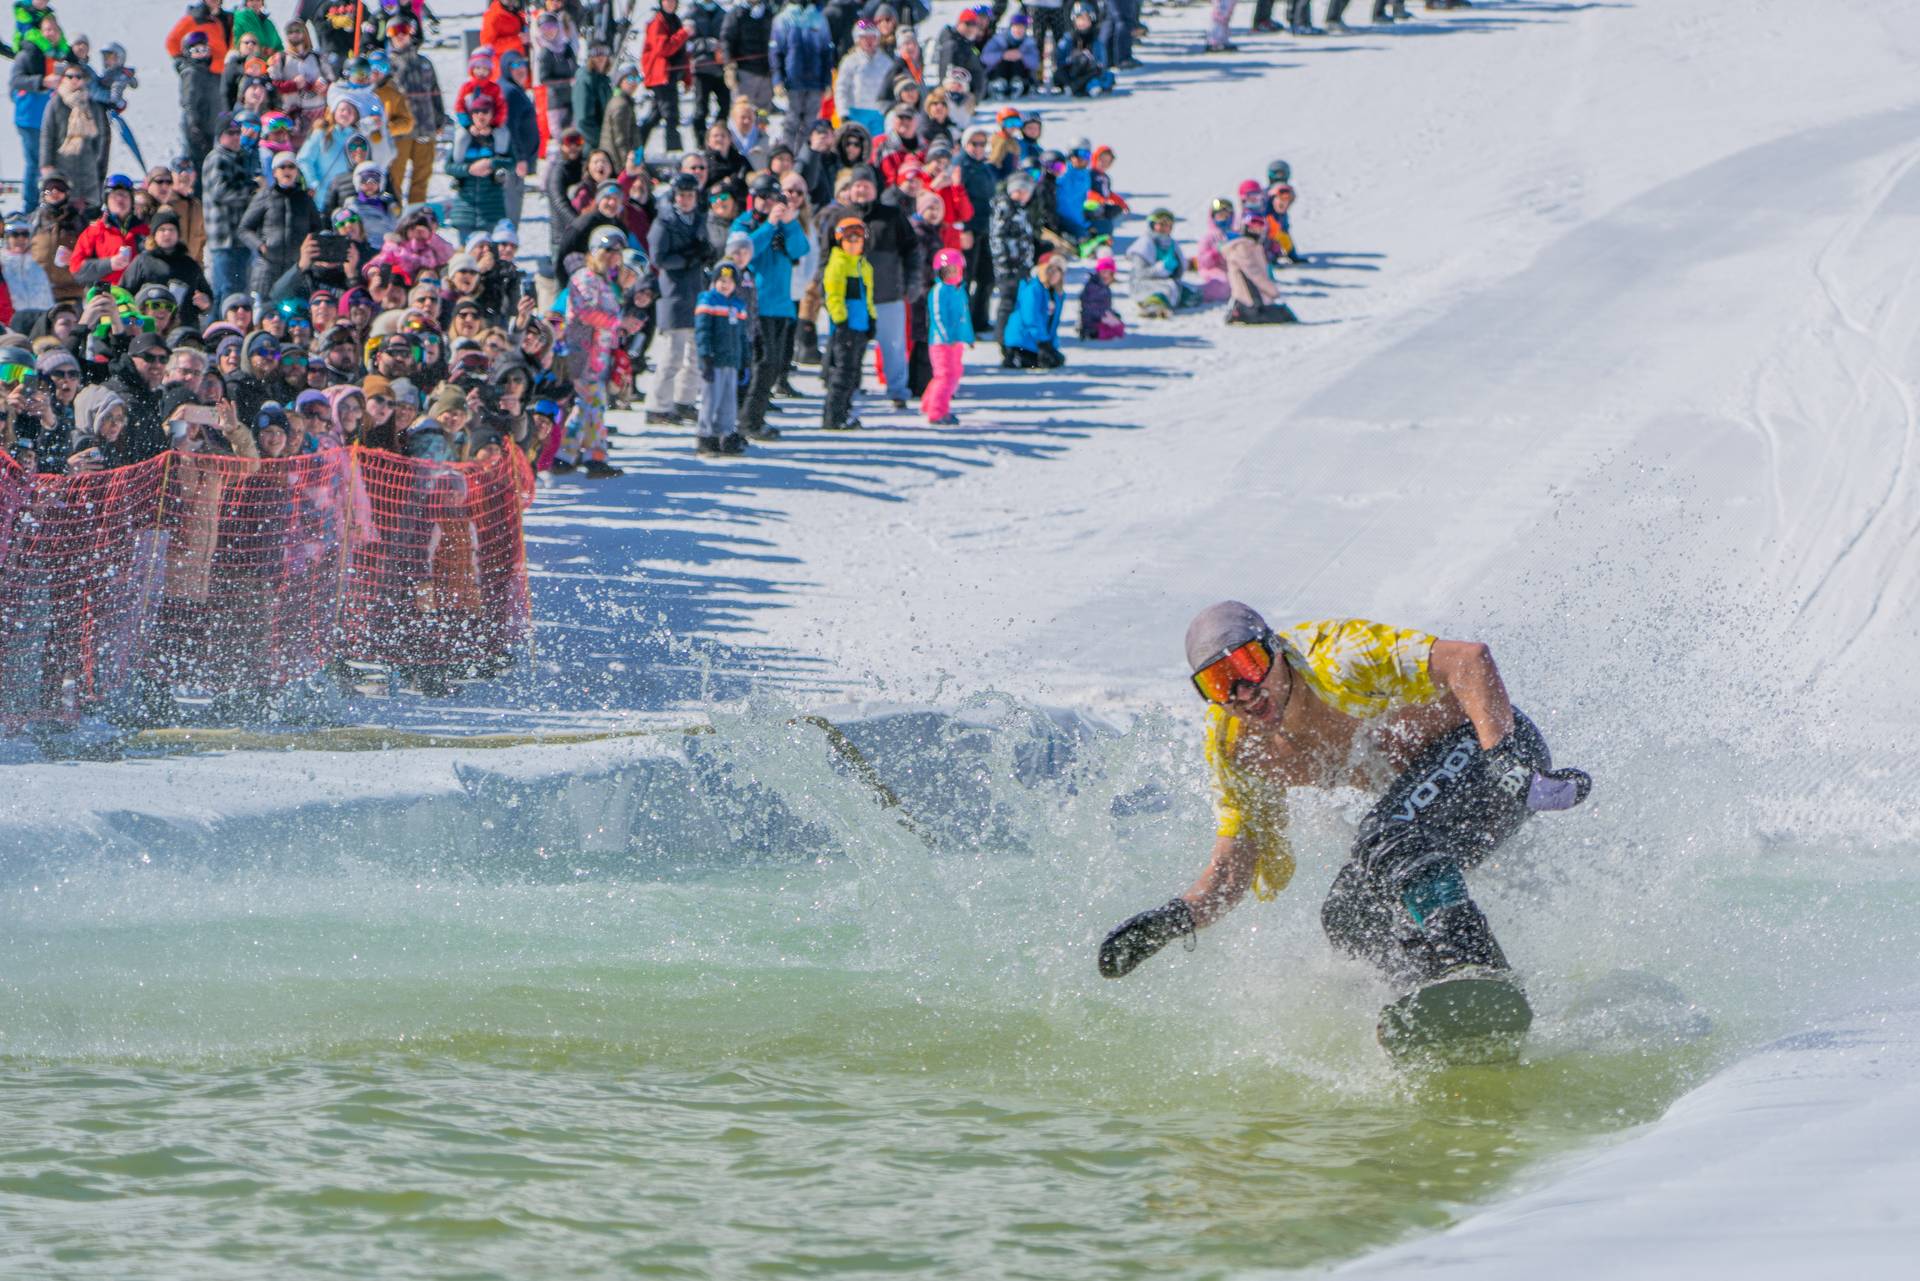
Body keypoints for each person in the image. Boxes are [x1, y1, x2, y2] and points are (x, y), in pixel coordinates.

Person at [1097, 605, 1593, 993]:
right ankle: (1434, 1001)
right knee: (1348, 914)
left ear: (1275, 649)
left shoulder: (1336, 656)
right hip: (1441, 809)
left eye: (1249, 665)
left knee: (1388, 836)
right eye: (1219, 683)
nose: (1244, 692)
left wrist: (1503, 760)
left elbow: (1469, 659)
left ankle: (1478, 969)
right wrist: (1177, 918)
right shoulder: (1238, 749)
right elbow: (1234, 867)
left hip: (1495, 754)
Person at [647, 172, 712, 425]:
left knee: (695, 354)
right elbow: (658, 258)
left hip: (696, 290)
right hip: (674, 293)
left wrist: (704, 254)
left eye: (690, 195)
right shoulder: (664, 222)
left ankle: (684, 400)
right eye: (682, 195)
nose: (686, 200)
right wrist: (687, 258)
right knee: (673, 354)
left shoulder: (698, 219)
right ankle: (658, 405)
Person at [819, 215, 874, 431]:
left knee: (854, 372)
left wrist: (871, 318)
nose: (853, 244)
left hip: (860, 326)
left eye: (857, 239)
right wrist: (841, 321)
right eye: (848, 239)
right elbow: (833, 296)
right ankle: (833, 416)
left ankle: (845, 411)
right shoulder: (838, 264)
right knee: (843, 372)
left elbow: (867, 296)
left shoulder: (863, 266)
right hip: (845, 328)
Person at [692, 260, 749, 456]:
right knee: (711, 400)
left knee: (728, 401)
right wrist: (706, 356)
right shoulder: (708, 300)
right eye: (721, 280)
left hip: (731, 362)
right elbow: (703, 332)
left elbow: (742, 337)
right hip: (714, 362)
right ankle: (705, 435)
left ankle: (725, 433)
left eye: (729, 281)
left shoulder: (738, 305)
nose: (725, 284)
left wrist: (744, 361)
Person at [770, 0, 834, 151]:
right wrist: (777, 79)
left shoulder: (819, 18)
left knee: (810, 124)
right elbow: (775, 52)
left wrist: (827, 81)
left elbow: (827, 51)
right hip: (792, 81)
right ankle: (787, 157)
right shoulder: (783, 18)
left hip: (815, 82)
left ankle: (804, 159)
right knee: (791, 122)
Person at [920, 245, 970, 425]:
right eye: (947, 271)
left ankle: (929, 403)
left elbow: (964, 316)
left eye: (954, 271)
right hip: (941, 342)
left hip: (955, 341)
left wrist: (968, 336)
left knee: (954, 373)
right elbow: (938, 316)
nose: (951, 275)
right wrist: (946, 336)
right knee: (945, 375)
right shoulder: (939, 290)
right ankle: (937, 412)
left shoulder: (958, 290)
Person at [1223, 213, 1298, 325]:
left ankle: (1242, 313)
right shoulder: (1242, 248)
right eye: (1253, 228)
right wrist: (1274, 292)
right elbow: (1255, 275)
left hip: (1257, 302)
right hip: (1248, 303)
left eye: (1260, 228)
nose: (1256, 231)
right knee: (1284, 314)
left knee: (1285, 314)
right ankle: (1238, 313)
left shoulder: (1254, 247)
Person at [638, 0, 690, 156]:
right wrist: (683, 34)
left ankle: (637, 145)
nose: (671, 3)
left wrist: (687, 78)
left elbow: (683, 53)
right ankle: (674, 150)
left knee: (657, 114)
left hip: (672, 75)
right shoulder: (657, 22)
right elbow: (663, 49)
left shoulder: (676, 20)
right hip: (660, 76)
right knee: (670, 113)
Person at [1000, 253, 1063, 370]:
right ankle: (1014, 356)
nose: (1054, 274)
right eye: (1050, 270)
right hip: (1022, 342)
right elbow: (1031, 318)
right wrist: (1043, 342)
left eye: (1057, 271)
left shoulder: (1055, 294)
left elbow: (1052, 323)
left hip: (1037, 341)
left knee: (1056, 361)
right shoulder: (1033, 288)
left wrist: (1051, 346)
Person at [835, 19, 891, 135]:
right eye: (865, 38)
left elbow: (891, 88)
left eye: (872, 37)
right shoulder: (850, 61)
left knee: (877, 146)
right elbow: (841, 89)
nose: (869, 42)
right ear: (858, 40)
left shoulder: (886, 62)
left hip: (879, 114)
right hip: (855, 112)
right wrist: (843, 113)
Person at [723, 0, 775, 114]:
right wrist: (729, 67)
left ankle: (761, 130)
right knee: (743, 111)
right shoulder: (736, 13)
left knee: (763, 113)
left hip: (766, 72)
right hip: (744, 72)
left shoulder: (769, 12)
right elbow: (726, 40)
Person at [1077, 254, 1123, 340]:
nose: (1106, 275)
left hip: (1100, 317)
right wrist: (1104, 316)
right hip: (1092, 320)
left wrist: (1111, 314)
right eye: (1103, 272)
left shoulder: (1103, 286)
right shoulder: (1094, 286)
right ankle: (1090, 331)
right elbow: (1089, 306)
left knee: (1118, 325)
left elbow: (1104, 305)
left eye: (1108, 272)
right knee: (1116, 329)